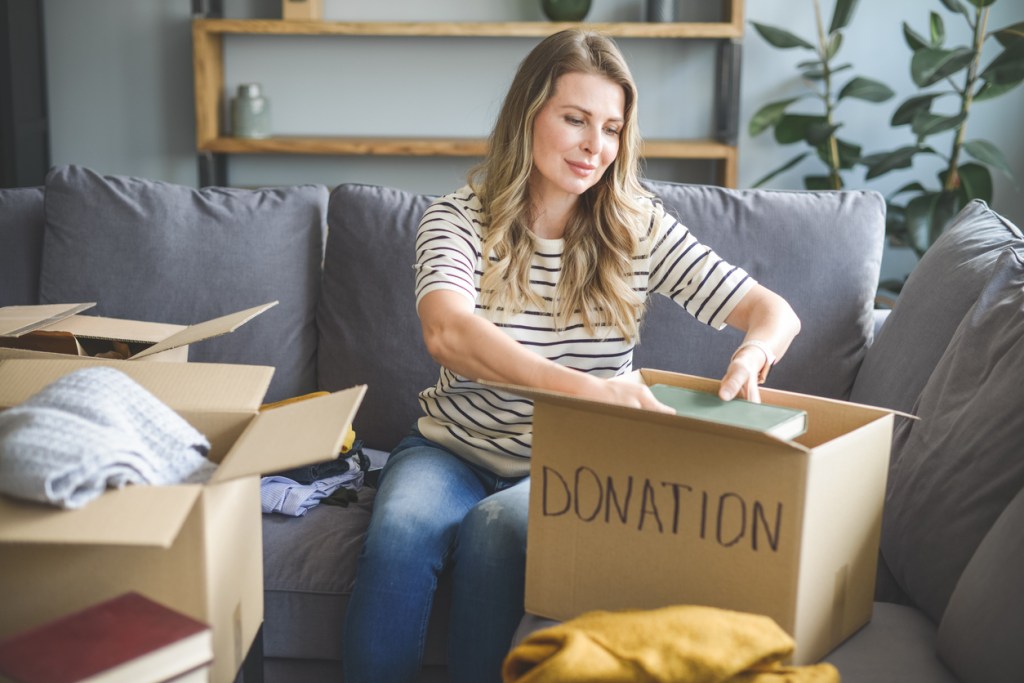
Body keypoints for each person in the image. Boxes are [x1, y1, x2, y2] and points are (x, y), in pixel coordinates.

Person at [342, 28, 801, 683]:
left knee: (497, 532)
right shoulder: (458, 219)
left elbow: (775, 312)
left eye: (612, 128)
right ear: (527, 115)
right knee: (399, 532)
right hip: (454, 447)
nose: (596, 146)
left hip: (575, 461)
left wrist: (753, 354)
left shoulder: (636, 228)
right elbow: (446, 331)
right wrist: (588, 390)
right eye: (575, 119)